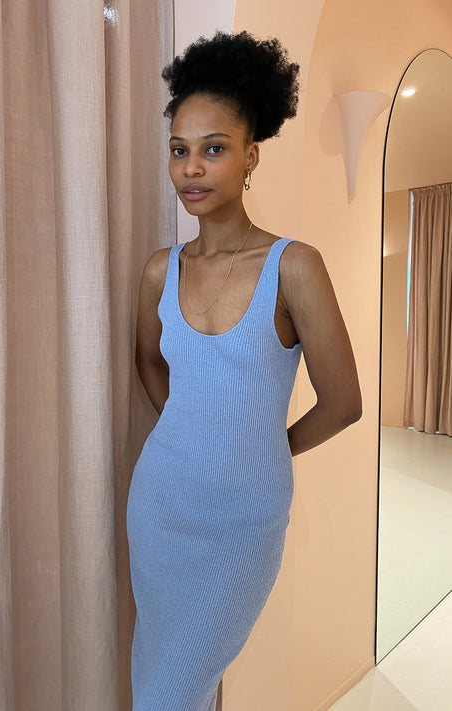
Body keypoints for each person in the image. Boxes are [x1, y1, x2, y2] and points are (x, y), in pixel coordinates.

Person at [126, 31, 362, 711]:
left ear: (250, 155)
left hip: (242, 521)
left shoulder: (295, 266)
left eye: (214, 148)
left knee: (170, 691)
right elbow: (148, 360)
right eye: (179, 150)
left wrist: (261, 448)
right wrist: (190, 432)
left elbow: (343, 403)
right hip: (160, 505)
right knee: (167, 674)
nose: (191, 169)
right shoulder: (160, 270)